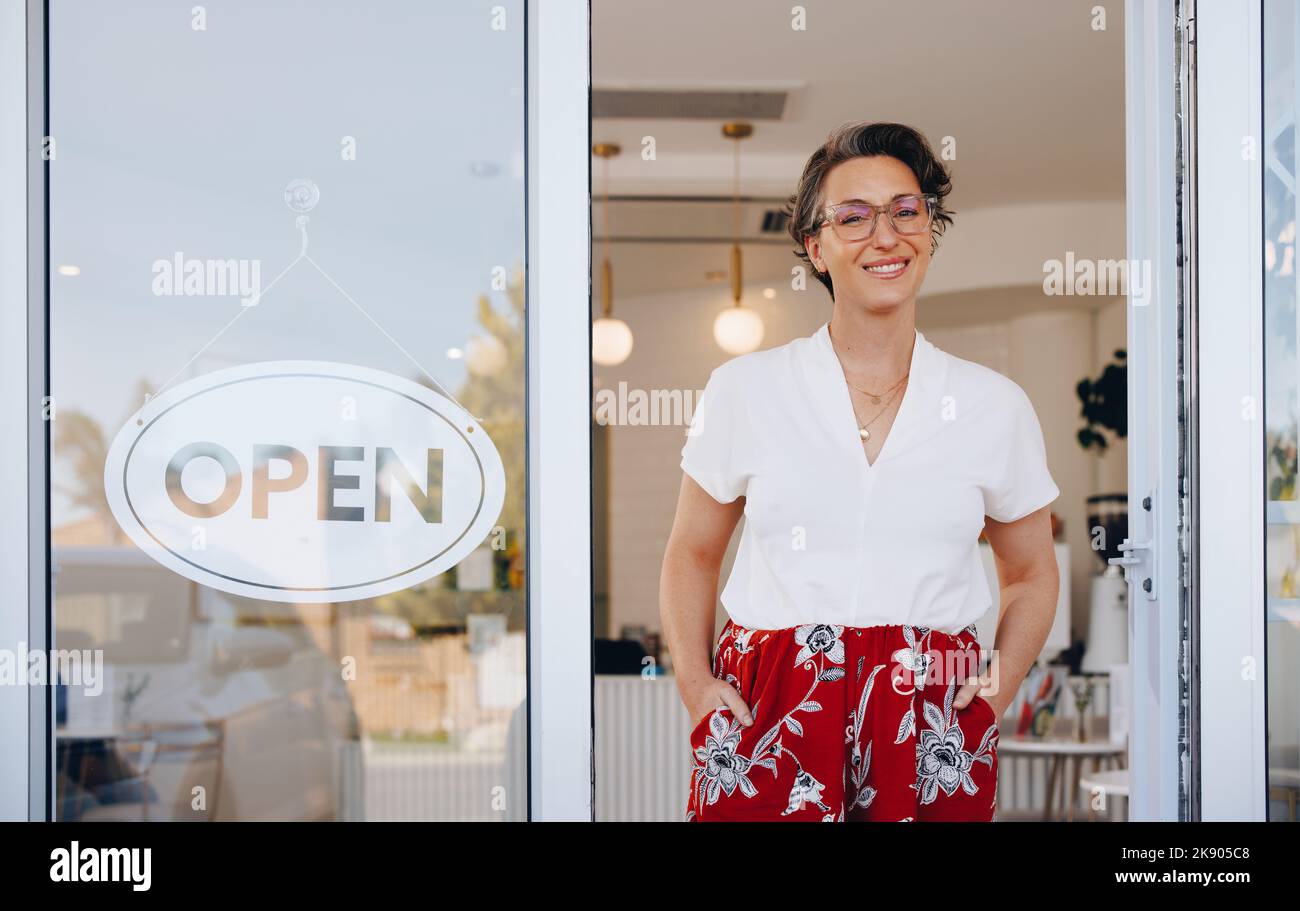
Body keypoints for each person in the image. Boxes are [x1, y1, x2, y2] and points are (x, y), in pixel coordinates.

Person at [660, 121, 1061, 822]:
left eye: (907, 211)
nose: (886, 235)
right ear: (816, 246)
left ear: (929, 231)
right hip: (773, 705)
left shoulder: (994, 406)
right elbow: (692, 554)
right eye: (854, 216)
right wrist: (696, 687)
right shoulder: (744, 390)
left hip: (929, 708)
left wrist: (995, 690)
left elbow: (1030, 572)